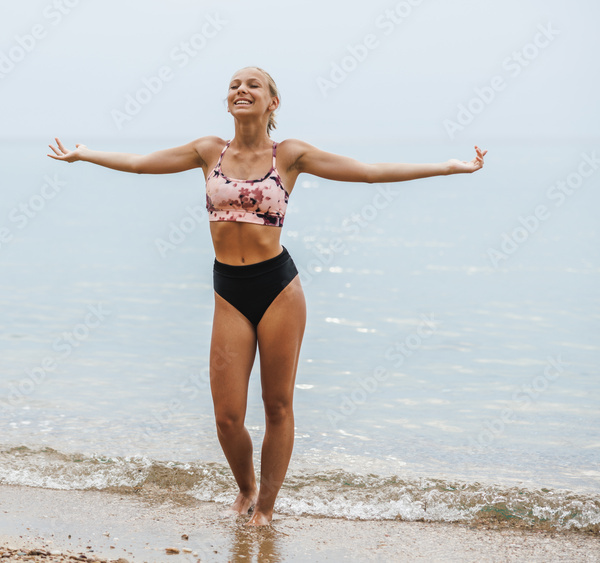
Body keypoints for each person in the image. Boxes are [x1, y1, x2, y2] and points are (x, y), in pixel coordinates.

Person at [45, 66, 487, 527]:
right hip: (229, 291)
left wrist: (450, 166)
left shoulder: (288, 155)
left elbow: (370, 173)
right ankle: (246, 488)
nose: (242, 89)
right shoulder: (207, 151)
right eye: (235, 84)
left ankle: (267, 508)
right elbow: (140, 163)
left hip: (277, 288)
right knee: (227, 417)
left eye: (253, 84)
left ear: (272, 102)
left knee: (277, 405)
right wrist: (85, 154)